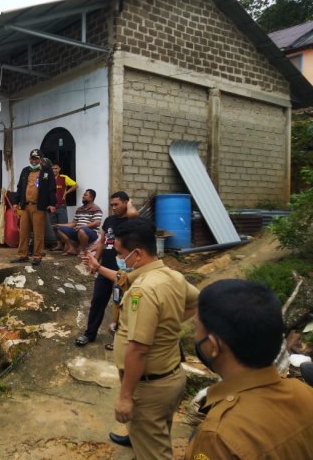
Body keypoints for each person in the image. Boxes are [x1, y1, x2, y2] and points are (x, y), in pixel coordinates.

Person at [185, 279, 313, 459]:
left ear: (213, 346)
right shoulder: (306, 394)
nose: (195, 337)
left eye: (197, 328)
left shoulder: (218, 437)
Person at [112, 218, 198, 460]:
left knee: (154, 451)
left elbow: (138, 349)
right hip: (170, 377)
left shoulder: (145, 290)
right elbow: (196, 300)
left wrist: (126, 397)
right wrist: (167, 326)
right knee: (154, 437)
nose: (119, 258)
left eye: (121, 253)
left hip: (148, 388)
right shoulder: (173, 276)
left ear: (137, 254)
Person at [75, 191, 138, 347]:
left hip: (122, 273)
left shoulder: (132, 221)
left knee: (120, 306)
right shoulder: (109, 220)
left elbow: (133, 213)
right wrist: (95, 261)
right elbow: (102, 242)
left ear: (126, 202)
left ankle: (119, 340)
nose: (113, 208)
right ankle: (89, 334)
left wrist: (130, 204)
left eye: (117, 204)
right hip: (104, 269)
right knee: (97, 302)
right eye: (111, 205)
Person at [11, 148, 56, 266]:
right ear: (29, 159)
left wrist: (52, 204)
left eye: (36, 159)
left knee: (38, 233)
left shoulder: (47, 171)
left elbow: (52, 189)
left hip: (39, 207)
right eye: (32, 159)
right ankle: (22, 255)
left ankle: (37, 256)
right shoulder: (25, 171)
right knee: (23, 232)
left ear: (40, 159)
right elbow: (20, 187)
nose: (34, 161)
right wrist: (15, 202)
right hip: (25, 206)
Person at [55, 189, 102, 256]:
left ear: (91, 198)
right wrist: (60, 225)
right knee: (58, 228)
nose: (83, 196)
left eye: (85, 195)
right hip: (78, 231)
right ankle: (71, 248)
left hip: (91, 233)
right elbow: (74, 223)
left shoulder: (96, 209)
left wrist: (83, 227)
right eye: (83, 195)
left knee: (82, 230)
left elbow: (97, 223)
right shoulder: (79, 209)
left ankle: (83, 250)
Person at [49, 162, 77, 251]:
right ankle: (59, 245)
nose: (54, 170)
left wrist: (67, 192)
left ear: (59, 169)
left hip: (61, 206)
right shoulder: (48, 179)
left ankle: (67, 245)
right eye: (53, 169)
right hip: (51, 206)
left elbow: (75, 185)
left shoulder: (64, 177)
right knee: (54, 226)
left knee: (63, 226)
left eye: (56, 168)